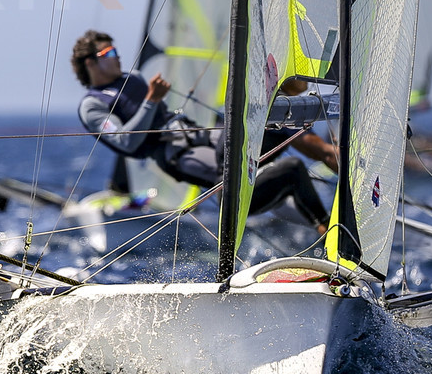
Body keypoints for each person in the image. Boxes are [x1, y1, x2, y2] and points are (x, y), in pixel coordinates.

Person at [70, 30, 331, 235]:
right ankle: (324, 228)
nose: (117, 56)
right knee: (278, 168)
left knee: (273, 126)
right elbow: (126, 142)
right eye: (109, 52)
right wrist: (151, 100)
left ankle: (331, 196)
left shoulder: (133, 78)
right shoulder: (92, 105)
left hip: (198, 136)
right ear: (90, 63)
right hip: (176, 153)